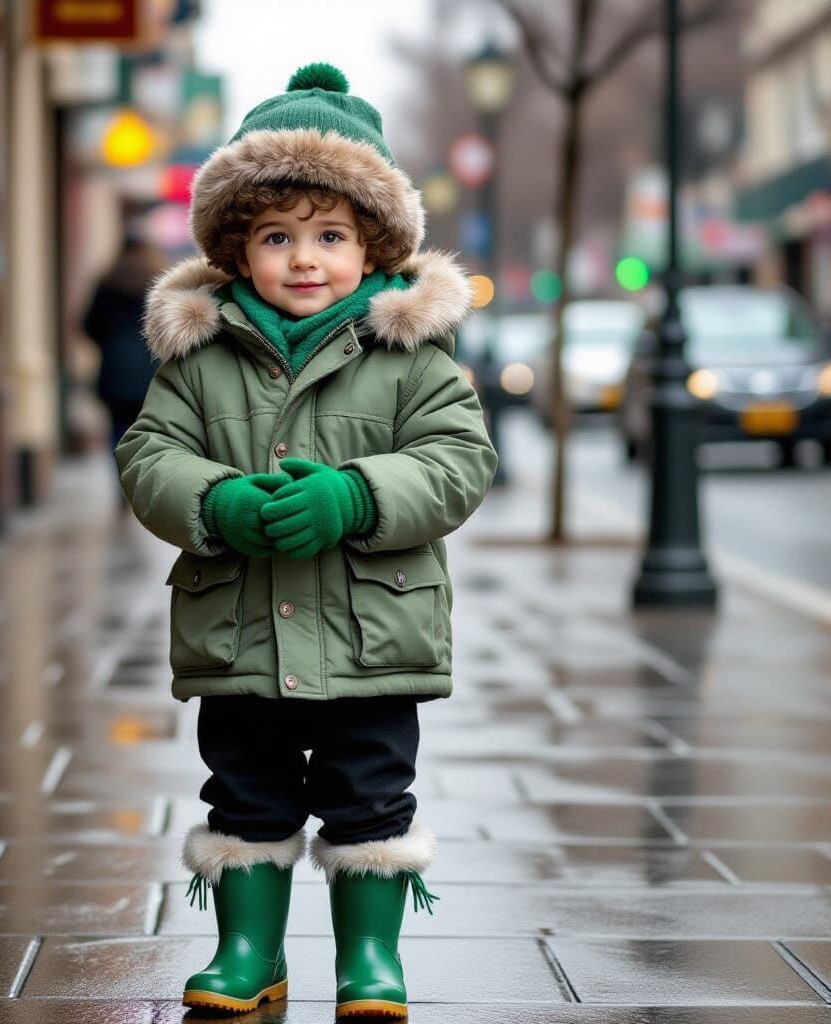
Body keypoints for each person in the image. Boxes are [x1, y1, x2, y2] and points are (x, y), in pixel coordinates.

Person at [115, 62, 496, 1019]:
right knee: (245, 789)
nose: (304, 258)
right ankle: (249, 949)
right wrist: (217, 504)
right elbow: (148, 456)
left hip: (374, 636)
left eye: (330, 236)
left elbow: (458, 459)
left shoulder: (411, 354)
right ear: (238, 253)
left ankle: (371, 958)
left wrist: (358, 495)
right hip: (242, 632)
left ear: (373, 249)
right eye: (277, 237)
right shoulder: (199, 357)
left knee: (370, 795)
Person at [81, 234, 163, 457]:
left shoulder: (107, 282)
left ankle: (122, 480)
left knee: (118, 432)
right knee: (151, 433)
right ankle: (142, 482)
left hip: (115, 373)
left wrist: (111, 345)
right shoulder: (159, 282)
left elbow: (88, 326)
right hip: (151, 371)